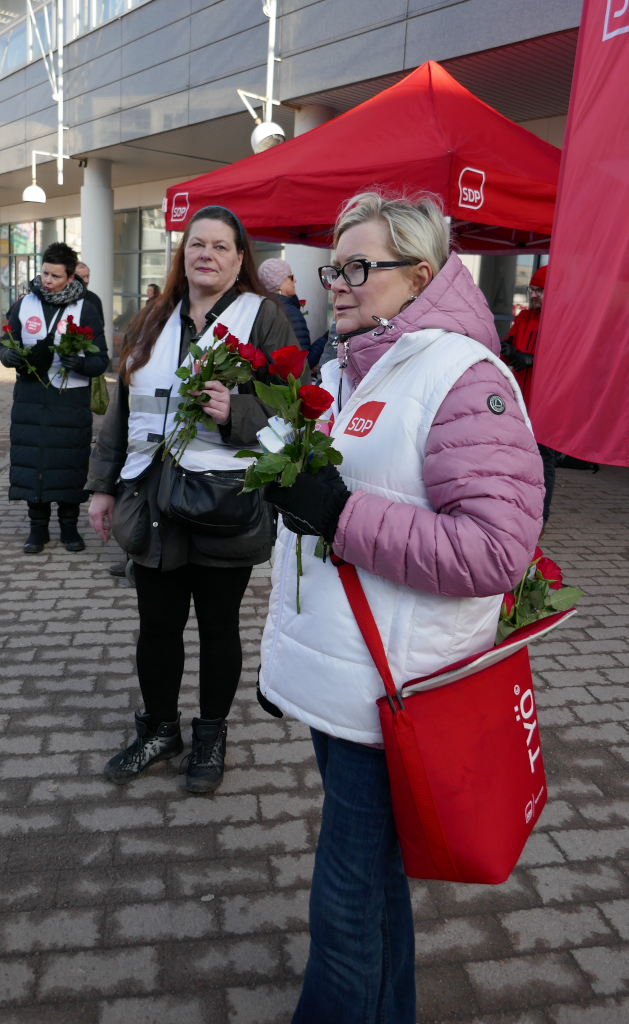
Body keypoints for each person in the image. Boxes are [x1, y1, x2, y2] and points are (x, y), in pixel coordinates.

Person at [257, 192, 544, 1022]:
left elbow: (495, 551)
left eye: (357, 268)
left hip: (396, 692)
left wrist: (341, 514)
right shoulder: (355, 361)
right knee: (369, 883)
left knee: (346, 900)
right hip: (346, 680)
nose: (336, 284)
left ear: (419, 274)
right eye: (331, 267)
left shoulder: (460, 376)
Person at [87, 205, 300, 793]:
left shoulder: (264, 318)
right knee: (156, 624)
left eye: (220, 246)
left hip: (223, 501)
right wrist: (103, 487)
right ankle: (159, 731)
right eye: (196, 244)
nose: (206, 254)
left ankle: (209, 735)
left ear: (239, 259)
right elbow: (124, 410)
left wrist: (241, 413)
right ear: (182, 254)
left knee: (217, 626)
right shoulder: (156, 316)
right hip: (152, 498)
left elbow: (295, 408)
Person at [0, 242, 108, 554]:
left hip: (69, 403)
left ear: (71, 276)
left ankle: (69, 528)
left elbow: (101, 358)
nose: (47, 280)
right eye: (44, 273)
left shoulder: (86, 307)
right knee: (33, 462)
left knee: (69, 463)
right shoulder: (24, 303)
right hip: (30, 401)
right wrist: (8, 355)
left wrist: (83, 364)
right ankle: (37, 530)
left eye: (55, 276)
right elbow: (6, 340)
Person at [500, 264, 555, 527]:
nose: (534, 295)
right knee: (516, 454)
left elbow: (565, 360)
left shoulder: (562, 320)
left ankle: (540, 517)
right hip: (519, 399)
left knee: (544, 458)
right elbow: (510, 343)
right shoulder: (524, 318)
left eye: (540, 290)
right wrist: (508, 350)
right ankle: (517, 506)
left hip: (546, 403)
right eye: (532, 289)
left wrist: (531, 360)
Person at [258, 258, 311, 352]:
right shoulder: (289, 311)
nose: (294, 280)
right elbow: (303, 360)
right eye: (291, 277)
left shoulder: (260, 307)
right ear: (279, 283)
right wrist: (325, 339)